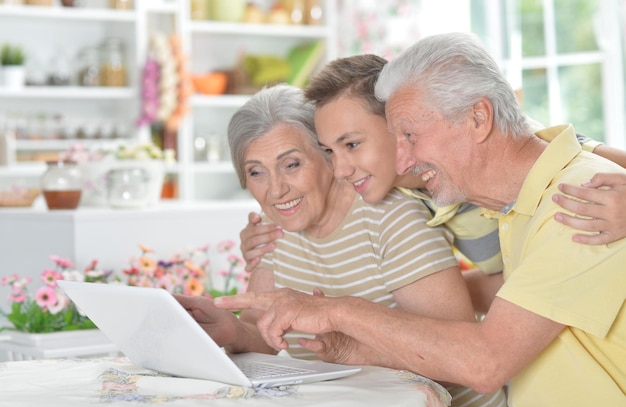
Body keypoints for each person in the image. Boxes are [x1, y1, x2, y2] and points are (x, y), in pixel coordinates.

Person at [214, 33, 626, 407]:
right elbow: (516, 295)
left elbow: (485, 362)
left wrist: (337, 310)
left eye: (409, 135)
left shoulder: (582, 200)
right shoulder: (500, 196)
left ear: (478, 119)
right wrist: (348, 343)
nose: (403, 159)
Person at [176, 83, 509, 407]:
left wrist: (350, 345)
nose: (275, 189)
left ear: (328, 157)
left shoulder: (389, 216)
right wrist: (230, 328)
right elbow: (263, 332)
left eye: (291, 164)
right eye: (256, 172)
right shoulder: (273, 226)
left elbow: (455, 355)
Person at [239, 53, 626, 314]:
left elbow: (586, 158)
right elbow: (306, 193)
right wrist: (262, 236)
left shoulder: (493, 156)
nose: (340, 169)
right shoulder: (400, 188)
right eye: (330, 150)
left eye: (353, 144)